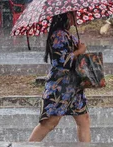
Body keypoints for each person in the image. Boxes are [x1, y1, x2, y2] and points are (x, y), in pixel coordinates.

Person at [28, 11, 91, 143]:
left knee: (83, 119)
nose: (77, 17)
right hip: (60, 86)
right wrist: (80, 51)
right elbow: (62, 62)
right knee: (50, 122)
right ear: (67, 16)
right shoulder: (58, 34)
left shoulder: (66, 33)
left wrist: (79, 48)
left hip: (73, 86)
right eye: (74, 14)